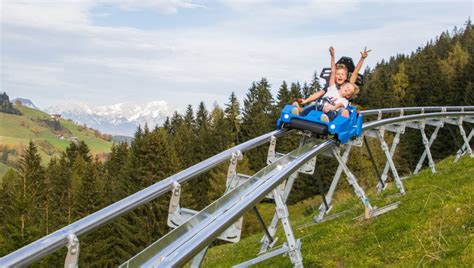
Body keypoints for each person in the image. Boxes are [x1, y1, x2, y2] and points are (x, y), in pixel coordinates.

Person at [292, 47, 360, 121]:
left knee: (334, 112)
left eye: (342, 75)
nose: (340, 76)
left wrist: (362, 58)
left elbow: (355, 73)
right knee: (313, 105)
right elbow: (333, 72)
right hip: (321, 106)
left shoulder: (346, 96)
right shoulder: (332, 87)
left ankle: (326, 120)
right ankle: (299, 111)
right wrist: (332, 56)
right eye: (338, 74)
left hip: (331, 110)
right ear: (342, 87)